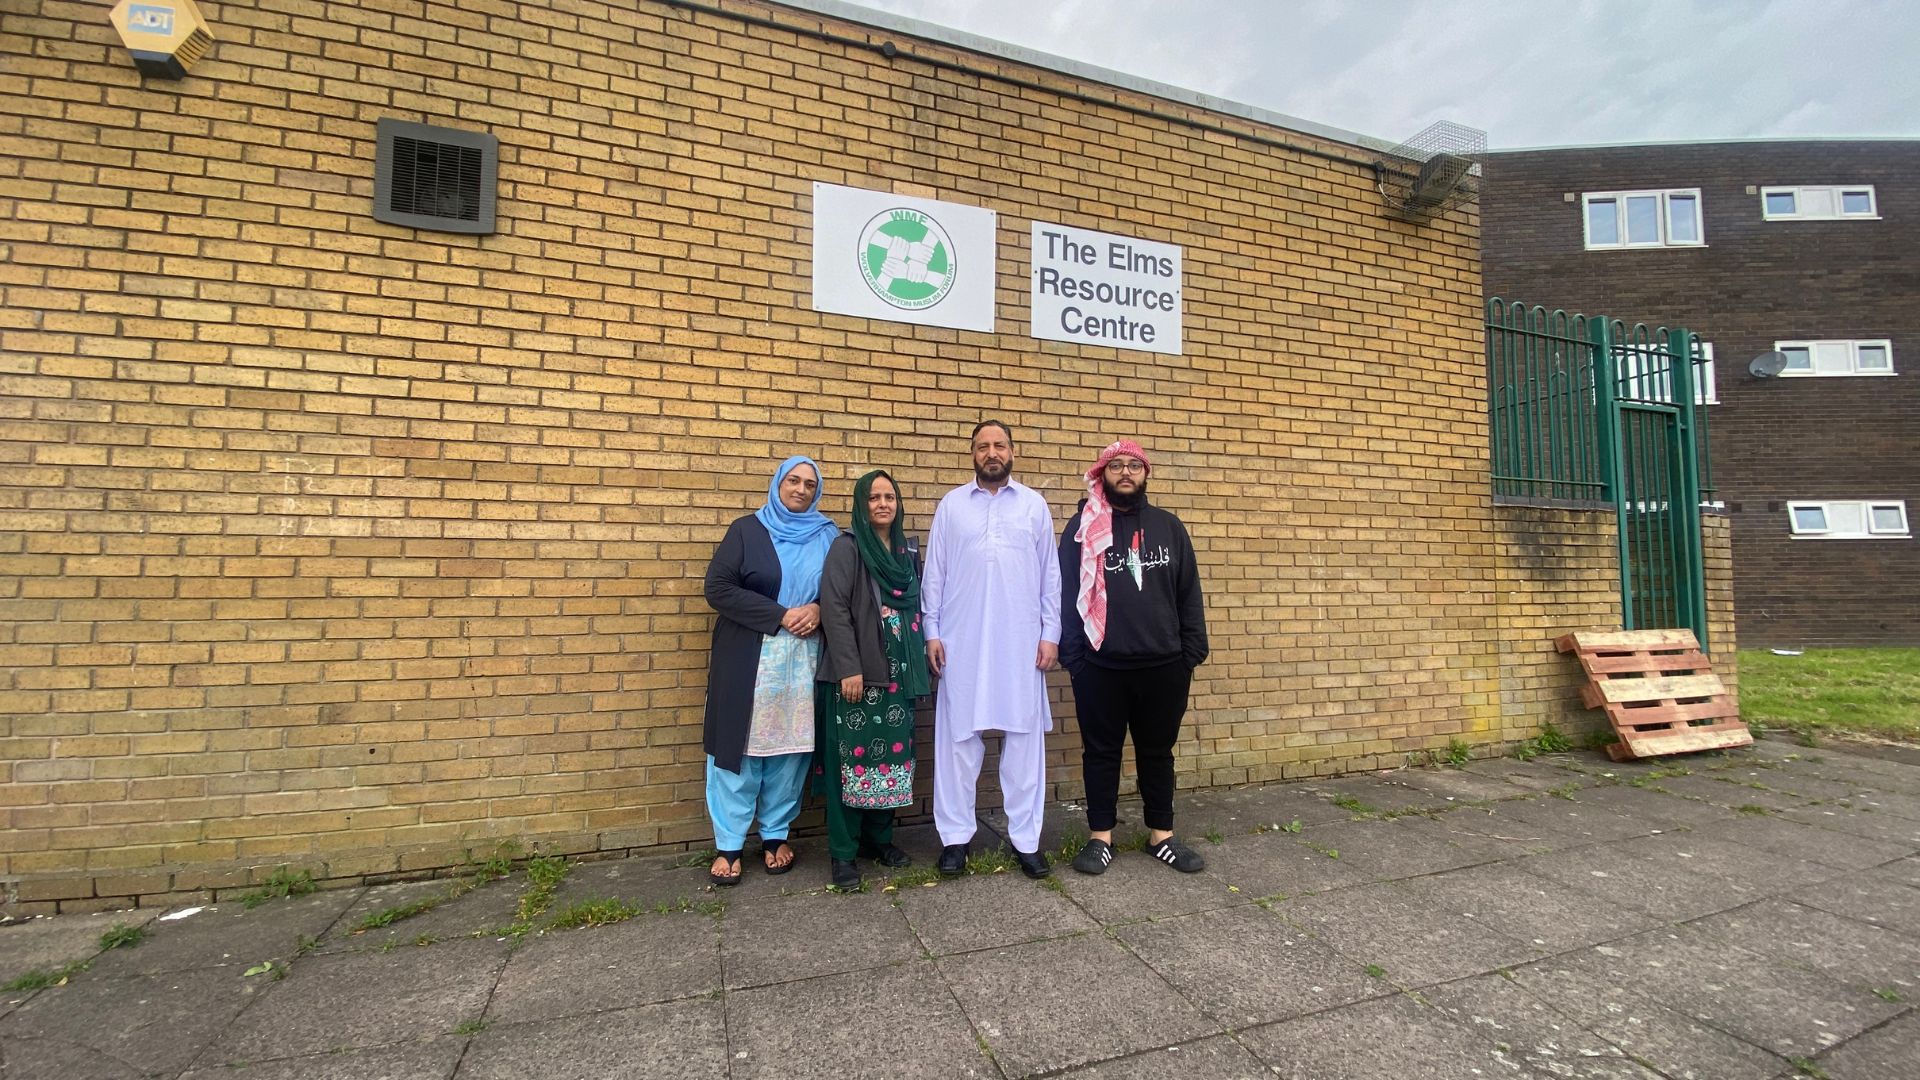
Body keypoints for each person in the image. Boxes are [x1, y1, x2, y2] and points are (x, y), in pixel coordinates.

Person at [1058, 440, 1209, 875]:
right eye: (1117, 466)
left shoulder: (1168, 526)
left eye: (1134, 466)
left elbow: (1189, 592)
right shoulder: (1082, 528)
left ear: (1146, 474)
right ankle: (1099, 837)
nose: (1125, 473)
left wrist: (1190, 653)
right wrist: (1075, 657)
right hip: (1100, 667)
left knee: (1157, 752)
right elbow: (1067, 591)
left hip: (1164, 665)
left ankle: (1161, 835)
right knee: (1101, 752)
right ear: (1102, 473)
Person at [922, 420, 1062, 879]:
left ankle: (1026, 841)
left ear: (1012, 451)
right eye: (983, 446)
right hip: (962, 641)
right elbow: (935, 574)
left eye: (999, 445)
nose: (991, 452)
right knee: (958, 743)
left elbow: (1050, 577)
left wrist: (1050, 633)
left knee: (1023, 746)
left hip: (1020, 641)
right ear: (972, 455)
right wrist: (932, 632)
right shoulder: (951, 506)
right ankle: (955, 840)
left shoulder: (1034, 506)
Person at [700, 456, 838, 887]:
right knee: (739, 749)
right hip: (749, 657)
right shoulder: (746, 530)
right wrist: (780, 614)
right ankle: (730, 842)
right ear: (778, 483)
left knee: (790, 749)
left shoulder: (828, 535)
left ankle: (776, 834)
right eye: (793, 481)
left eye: (809, 484)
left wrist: (817, 608)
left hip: (804, 659)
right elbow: (718, 589)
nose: (801, 489)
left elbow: (843, 589)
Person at [815, 470, 933, 892]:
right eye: (874, 497)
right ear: (861, 504)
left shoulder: (905, 552)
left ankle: (879, 841)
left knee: (892, 762)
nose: (883, 504)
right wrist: (849, 667)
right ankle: (843, 854)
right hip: (859, 677)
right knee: (852, 765)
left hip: (898, 677)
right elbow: (834, 609)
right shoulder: (847, 549)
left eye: (890, 497)